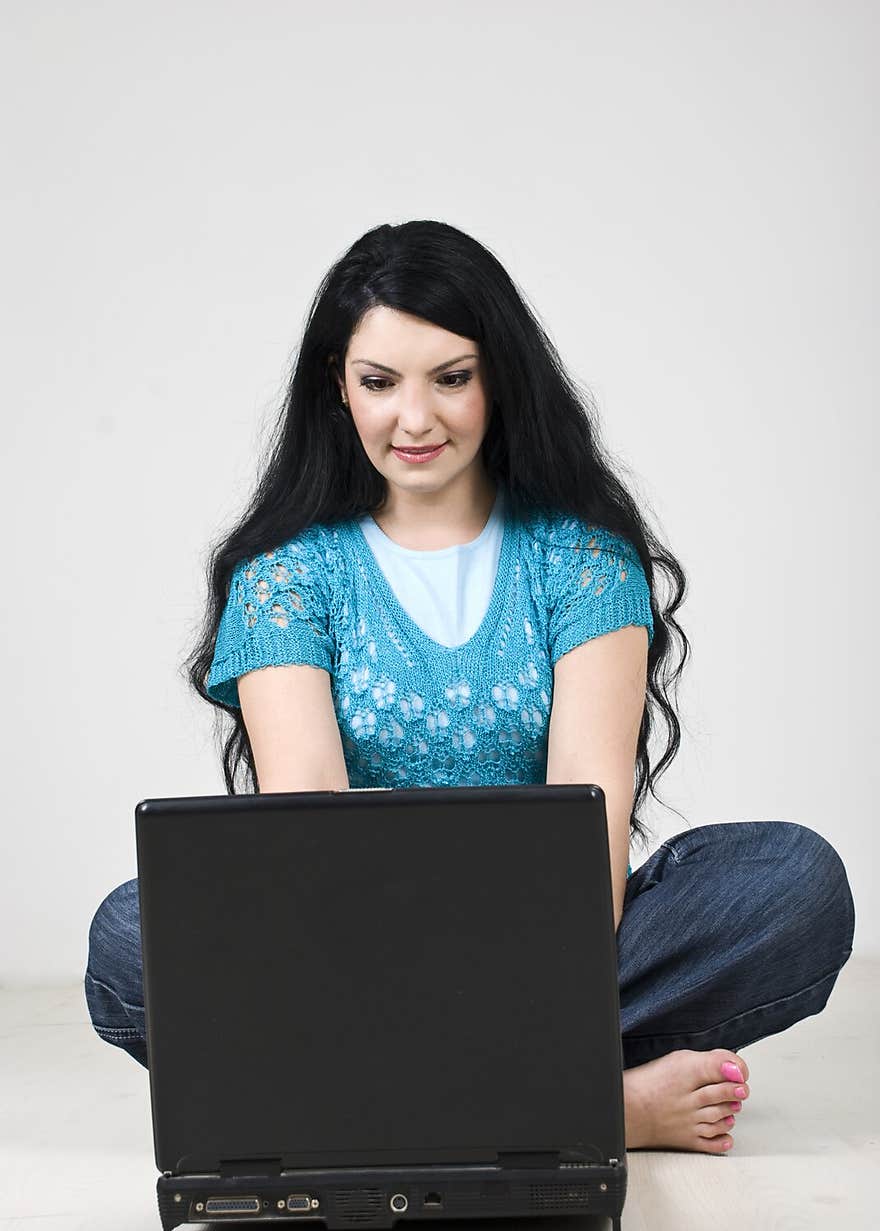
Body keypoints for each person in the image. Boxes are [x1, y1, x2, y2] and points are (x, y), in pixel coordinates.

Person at [84, 219, 856, 1155]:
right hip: (348, 958)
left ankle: (379, 1101)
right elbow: (308, 849)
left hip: (550, 955)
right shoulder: (286, 577)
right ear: (339, 386)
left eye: (451, 377)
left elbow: (592, 818)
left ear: (499, 378)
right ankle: (591, 1108)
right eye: (379, 384)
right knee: (131, 937)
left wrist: (496, 980)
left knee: (793, 880)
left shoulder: (582, 560)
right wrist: (409, 985)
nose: (416, 419)